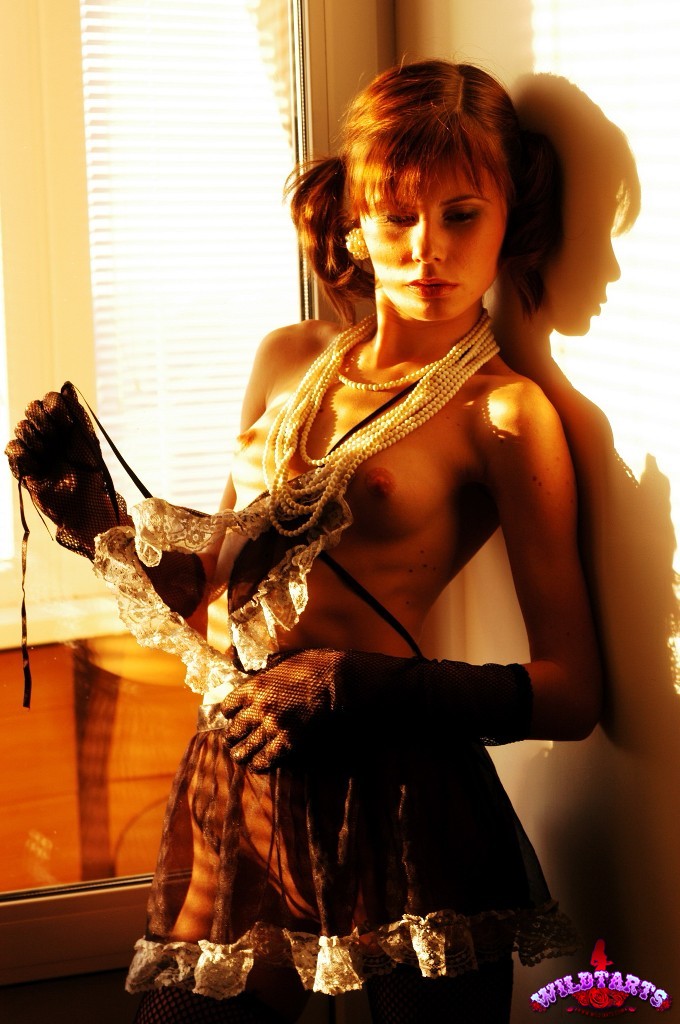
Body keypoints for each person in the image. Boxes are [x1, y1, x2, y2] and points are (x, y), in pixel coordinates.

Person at [6, 60, 602, 1024]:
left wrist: (354, 683)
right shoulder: (287, 359)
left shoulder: (504, 413)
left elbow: (573, 693)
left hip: (403, 798)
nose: (427, 250)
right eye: (396, 217)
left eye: (461, 215)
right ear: (355, 221)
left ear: (511, 216)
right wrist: (97, 520)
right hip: (243, 778)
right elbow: (207, 593)